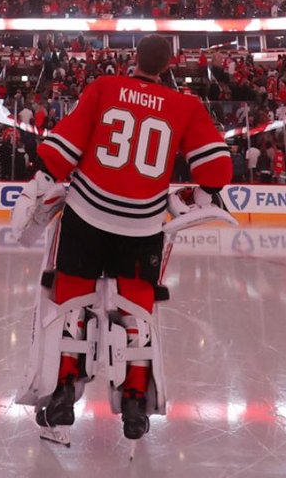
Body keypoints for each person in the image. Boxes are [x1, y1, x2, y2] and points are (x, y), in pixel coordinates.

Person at [19, 33, 232, 442]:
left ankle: (63, 394)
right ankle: (135, 402)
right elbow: (216, 169)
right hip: (141, 226)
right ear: (169, 66)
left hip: (86, 216)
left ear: (133, 58)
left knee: (72, 303)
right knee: (137, 311)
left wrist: (44, 174)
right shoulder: (186, 106)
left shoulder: (105, 87)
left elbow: (60, 153)